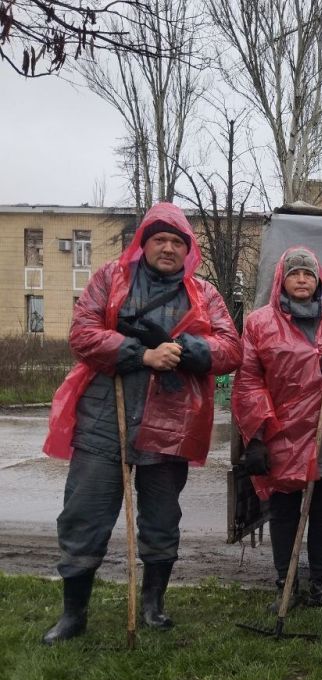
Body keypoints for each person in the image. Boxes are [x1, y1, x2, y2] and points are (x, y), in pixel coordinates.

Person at [41, 202, 242, 645]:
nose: (168, 248)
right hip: (103, 418)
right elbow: (82, 332)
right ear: (144, 243)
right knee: (83, 515)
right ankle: (74, 614)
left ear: (187, 250)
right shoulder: (111, 279)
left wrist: (185, 350)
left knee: (161, 519)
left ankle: (153, 605)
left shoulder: (203, 294)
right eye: (160, 240)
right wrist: (139, 353)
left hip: (170, 424)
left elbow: (230, 347)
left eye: (177, 242)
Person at [233, 246, 322, 611]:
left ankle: (321, 582)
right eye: (295, 273)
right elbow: (248, 380)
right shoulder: (260, 324)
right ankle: (285, 583)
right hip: (284, 433)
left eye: (308, 273)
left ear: (318, 279)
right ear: (283, 280)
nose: (302, 279)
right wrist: (257, 435)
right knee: (285, 509)